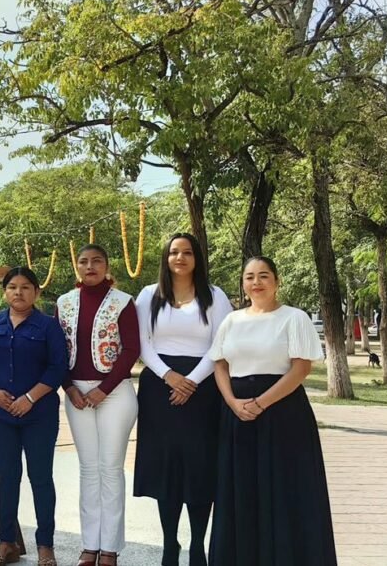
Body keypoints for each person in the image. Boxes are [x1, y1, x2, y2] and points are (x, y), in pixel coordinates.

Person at [207, 256, 336, 565]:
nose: (256, 282)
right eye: (250, 276)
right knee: (241, 491)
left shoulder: (294, 318)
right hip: (237, 414)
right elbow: (220, 364)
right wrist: (232, 402)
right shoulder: (232, 321)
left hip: (282, 414)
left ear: (277, 281)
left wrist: (261, 403)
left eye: (264, 276)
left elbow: (300, 369)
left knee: (285, 490)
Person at [133, 233, 234, 566]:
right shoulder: (149, 295)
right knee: (167, 469)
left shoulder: (215, 297)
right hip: (159, 387)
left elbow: (221, 345)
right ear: (166, 257)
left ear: (196, 258)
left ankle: (198, 546)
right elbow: (142, 342)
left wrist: (190, 380)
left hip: (204, 389)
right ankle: (168, 544)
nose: (180, 258)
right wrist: (169, 376)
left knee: (200, 467)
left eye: (187, 252)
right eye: (174, 252)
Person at [0, 266, 67, 566]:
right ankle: (6, 541)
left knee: (40, 478)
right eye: (13, 287)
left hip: (39, 414)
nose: (19, 292)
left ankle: (45, 545)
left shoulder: (48, 326)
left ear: (36, 292)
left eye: (26, 287)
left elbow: (58, 368)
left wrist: (30, 397)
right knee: (8, 478)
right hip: (1, 414)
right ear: (5, 292)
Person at [56, 244, 141, 566]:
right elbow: (57, 352)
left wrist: (104, 389)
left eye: (96, 261)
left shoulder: (123, 302)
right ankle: (89, 544)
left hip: (115, 393)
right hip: (77, 394)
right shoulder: (64, 303)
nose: (89, 266)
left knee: (110, 469)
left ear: (106, 266)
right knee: (88, 469)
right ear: (76, 266)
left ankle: (110, 547)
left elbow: (131, 349)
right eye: (83, 261)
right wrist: (68, 387)